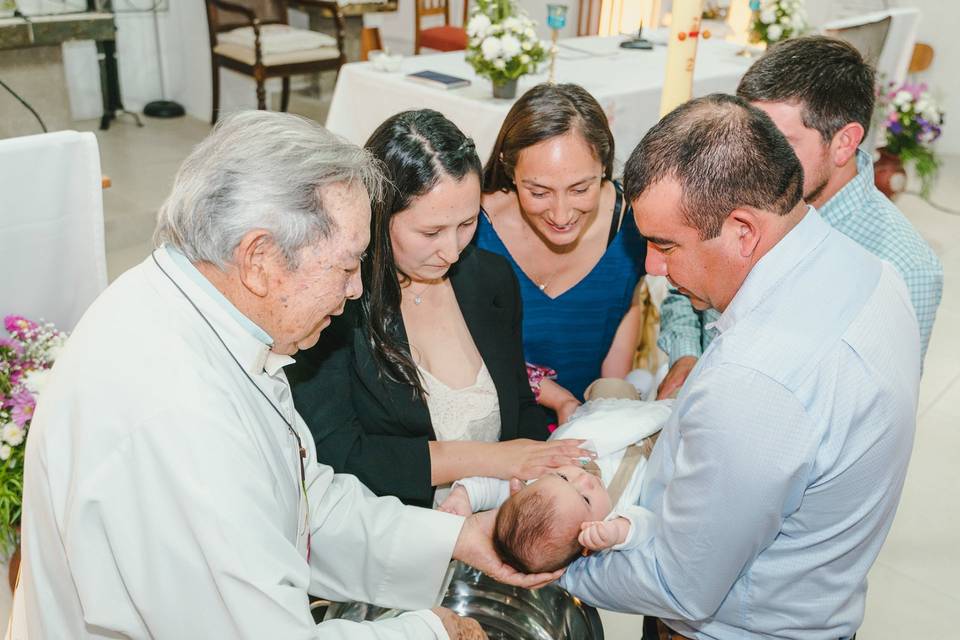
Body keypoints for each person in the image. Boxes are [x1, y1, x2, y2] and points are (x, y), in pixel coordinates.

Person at [12, 111, 559, 640]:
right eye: (347, 267)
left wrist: (456, 537)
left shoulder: (211, 316)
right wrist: (428, 631)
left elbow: (298, 498)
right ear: (260, 259)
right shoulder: (180, 417)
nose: (354, 292)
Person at [561, 94, 921, 640]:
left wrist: (552, 561)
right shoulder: (873, 270)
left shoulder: (756, 380)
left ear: (743, 231)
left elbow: (680, 585)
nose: (654, 269)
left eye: (664, 245)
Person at [288, 109, 588, 509]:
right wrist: (495, 459)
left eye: (466, 224)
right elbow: (339, 453)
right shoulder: (338, 305)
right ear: (378, 215)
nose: (451, 251)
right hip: (392, 527)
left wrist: (531, 480)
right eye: (430, 232)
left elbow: (520, 404)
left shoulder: (491, 279)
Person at [656, 35, 943, 400]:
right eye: (750, 138)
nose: (754, 162)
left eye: (779, 143)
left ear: (844, 142)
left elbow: (876, 407)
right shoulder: (745, 190)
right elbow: (685, 284)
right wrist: (686, 356)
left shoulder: (903, 266)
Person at [475, 83, 647, 423]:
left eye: (581, 189)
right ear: (509, 168)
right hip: (496, 419)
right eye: (539, 192)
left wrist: (609, 399)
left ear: (604, 166)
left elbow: (626, 302)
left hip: (588, 415)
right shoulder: (473, 228)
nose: (561, 214)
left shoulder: (630, 222)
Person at [439, 398, 674, 573]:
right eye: (586, 499)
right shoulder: (607, 523)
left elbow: (494, 485)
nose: (584, 480)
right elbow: (650, 524)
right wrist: (621, 532)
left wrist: (464, 494)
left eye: (564, 479)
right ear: (585, 545)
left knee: (614, 389)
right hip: (661, 452)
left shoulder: (547, 474)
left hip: (625, 422)